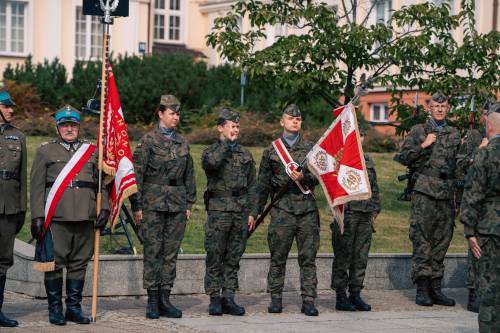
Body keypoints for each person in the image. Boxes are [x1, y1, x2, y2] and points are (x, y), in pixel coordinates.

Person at [30, 105, 110, 326]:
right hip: (57, 217)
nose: (69, 128)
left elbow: (101, 183)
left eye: (72, 125)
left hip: (85, 216)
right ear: (57, 127)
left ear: (78, 126)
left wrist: (105, 208)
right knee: (55, 263)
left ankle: (73, 308)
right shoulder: (45, 151)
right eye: (64, 125)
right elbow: (36, 186)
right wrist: (37, 216)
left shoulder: (92, 151)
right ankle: (55, 309)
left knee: (79, 263)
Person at [250, 104, 320, 316]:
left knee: (308, 258)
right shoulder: (271, 151)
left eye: (298, 118)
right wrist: (255, 212)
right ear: (282, 122)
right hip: (282, 212)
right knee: (278, 257)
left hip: (306, 211)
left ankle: (308, 300)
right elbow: (262, 185)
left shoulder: (311, 148)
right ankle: (276, 298)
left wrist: (304, 177)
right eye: (290, 118)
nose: (295, 121)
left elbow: (319, 177)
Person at [130, 94, 196, 319]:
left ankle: (165, 298)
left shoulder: (182, 142)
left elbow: (190, 174)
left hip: (177, 205)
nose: (176, 117)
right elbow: (136, 174)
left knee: (170, 253)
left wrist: (189, 203)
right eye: (171, 113)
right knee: (153, 251)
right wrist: (136, 206)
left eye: (178, 113)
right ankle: (152, 299)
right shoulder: (148, 141)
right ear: (160, 113)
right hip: (152, 204)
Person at [394, 92, 460, 307]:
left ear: (448, 107)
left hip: (446, 193)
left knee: (443, 240)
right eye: (436, 105)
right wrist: (423, 145)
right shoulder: (419, 131)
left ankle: (436, 288)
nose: (440, 109)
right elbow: (402, 157)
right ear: (429, 108)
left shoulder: (454, 133)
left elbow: (459, 167)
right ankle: (422, 288)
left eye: (443, 105)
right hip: (424, 192)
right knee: (422, 238)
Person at [202, 108, 256, 316]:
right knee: (215, 255)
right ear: (220, 128)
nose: (236, 130)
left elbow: (253, 185)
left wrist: (252, 211)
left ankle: (229, 297)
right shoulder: (211, 151)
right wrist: (226, 144)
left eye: (237, 126)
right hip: (219, 211)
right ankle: (214, 298)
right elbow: (212, 164)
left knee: (234, 256)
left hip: (240, 212)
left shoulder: (245, 154)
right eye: (232, 126)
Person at [459, 102, 500, 333]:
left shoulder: (485, 155)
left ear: (489, 127)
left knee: (489, 291)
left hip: (489, 231)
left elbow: (473, 194)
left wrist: (470, 232)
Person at [331, 127, 380, 312]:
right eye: (354, 135)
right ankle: (341, 295)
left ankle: (356, 293)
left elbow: (374, 187)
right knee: (343, 256)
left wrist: (375, 209)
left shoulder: (367, 160)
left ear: (363, 137)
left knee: (360, 257)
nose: (358, 138)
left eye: (360, 135)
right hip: (348, 213)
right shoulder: (340, 157)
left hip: (365, 214)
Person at [455, 104, 489, 313]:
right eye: (487, 113)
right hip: (478, 201)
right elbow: (459, 167)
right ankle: (473, 291)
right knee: (476, 247)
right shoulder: (474, 136)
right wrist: (479, 151)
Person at [0, 88, 26, 327]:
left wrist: (22, 209)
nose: (10, 110)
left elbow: (22, 178)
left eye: (11, 107)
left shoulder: (18, 136)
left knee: (2, 260)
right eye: (6, 106)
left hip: (8, 207)